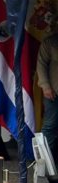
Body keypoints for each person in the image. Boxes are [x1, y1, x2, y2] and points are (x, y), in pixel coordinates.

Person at [36, 32, 58, 163]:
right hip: (54, 92)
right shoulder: (50, 42)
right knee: (50, 127)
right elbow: (41, 64)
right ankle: (45, 164)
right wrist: (45, 86)